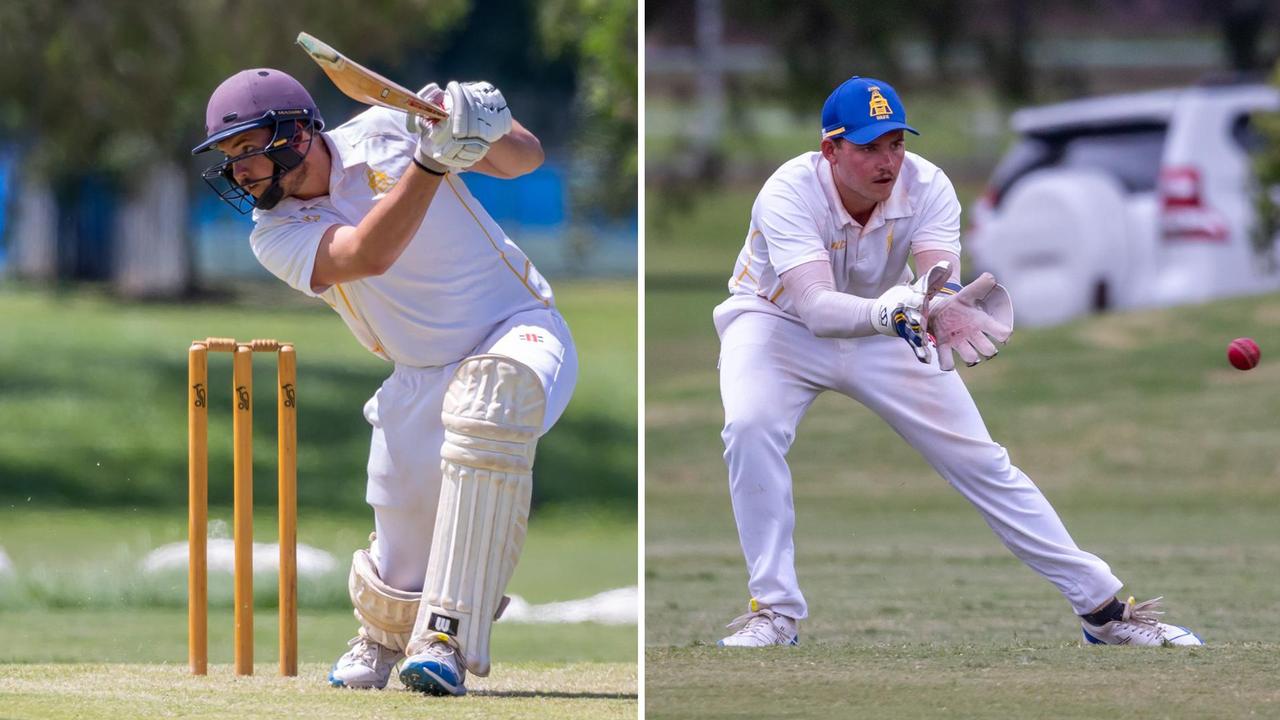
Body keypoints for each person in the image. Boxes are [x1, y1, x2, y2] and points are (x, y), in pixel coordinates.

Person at [712, 75, 1201, 649]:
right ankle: (774, 613)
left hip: (890, 327)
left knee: (983, 462)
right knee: (750, 427)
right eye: (868, 147)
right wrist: (894, 308)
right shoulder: (788, 192)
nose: (887, 161)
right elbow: (817, 308)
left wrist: (939, 306)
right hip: (777, 325)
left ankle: (1104, 612)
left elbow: (936, 278)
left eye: (895, 142)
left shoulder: (928, 185)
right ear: (831, 150)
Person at [192, 68, 578, 695]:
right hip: (418, 372)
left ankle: (446, 638)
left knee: (492, 401)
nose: (239, 173)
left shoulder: (390, 127)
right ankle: (384, 636)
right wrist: (429, 165)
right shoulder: (275, 234)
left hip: (519, 329)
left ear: (293, 135)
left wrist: (476, 121)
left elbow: (525, 160)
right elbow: (367, 255)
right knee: (401, 542)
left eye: (246, 152)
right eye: (230, 159)